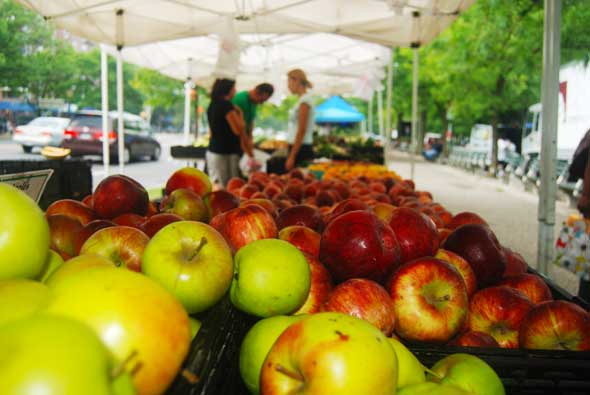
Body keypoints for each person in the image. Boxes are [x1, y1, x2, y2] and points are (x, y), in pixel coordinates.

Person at [206, 78, 246, 188]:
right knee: (231, 188)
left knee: (219, 186)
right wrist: (240, 114)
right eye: (234, 88)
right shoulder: (227, 106)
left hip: (214, 150)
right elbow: (238, 129)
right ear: (227, 90)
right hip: (226, 153)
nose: (235, 91)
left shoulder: (212, 105)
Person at [231, 83, 274, 164]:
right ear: (256, 92)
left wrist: (250, 139)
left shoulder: (253, 102)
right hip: (234, 143)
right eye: (261, 100)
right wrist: (248, 149)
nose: (261, 103)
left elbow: (250, 122)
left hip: (243, 141)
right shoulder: (240, 100)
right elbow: (238, 127)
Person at [285, 69, 315, 171]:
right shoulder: (302, 100)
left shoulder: (305, 101)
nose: (288, 85)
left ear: (296, 81)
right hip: (299, 147)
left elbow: (301, 130)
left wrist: (292, 156)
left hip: (301, 149)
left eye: (289, 81)